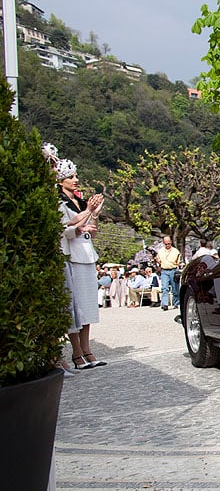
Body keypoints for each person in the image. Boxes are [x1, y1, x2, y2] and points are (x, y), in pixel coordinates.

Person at [55, 158, 108, 370]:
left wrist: (93, 215)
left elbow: (90, 228)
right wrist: (82, 223)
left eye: (75, 176)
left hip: (87, 254)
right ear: (61, 181)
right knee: (75, 308)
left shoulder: (80, 202)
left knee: (87, 307)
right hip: (72, 255)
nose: (75, 180)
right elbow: (65, 229)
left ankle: (87, 350)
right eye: (70, 177)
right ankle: (77, 352)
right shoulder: (59, 202)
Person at [156, 235, 181, 310]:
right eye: (165, 244)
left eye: (168, 244)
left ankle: (176, 303)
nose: (167, 245)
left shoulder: (175, 251)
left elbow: (178, 262)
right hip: (164, 270)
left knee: (175, 288)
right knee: (164, 288)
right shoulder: (161, 251)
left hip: (173, 270)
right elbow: (158, 260)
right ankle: (165, 304)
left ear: (171, 242)